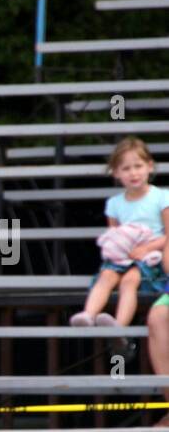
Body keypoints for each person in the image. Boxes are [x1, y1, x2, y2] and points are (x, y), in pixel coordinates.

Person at [73, 137, 169, 328]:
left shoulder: (162, 197)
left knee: (130, 280)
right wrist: (120, 252)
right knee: (107, 275)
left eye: (138, 166)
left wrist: (147, 248)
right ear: (116, 173)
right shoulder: (114, 204)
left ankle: (119, 325)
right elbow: (114, 235)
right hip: (123, 256)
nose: (133, 173)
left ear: (149, 166)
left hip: (150, 257)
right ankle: (88, 314)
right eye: (126, 169)